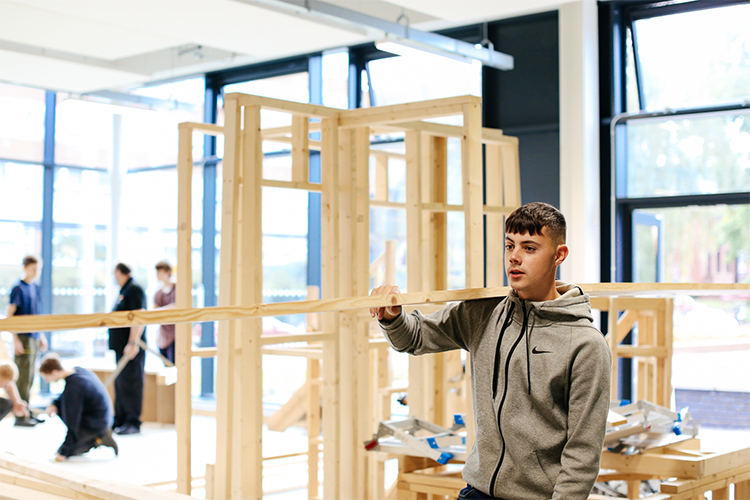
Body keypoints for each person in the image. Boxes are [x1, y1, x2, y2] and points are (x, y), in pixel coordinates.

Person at [370, 202, 611, 500]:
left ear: (559, 255)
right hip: (478, 491)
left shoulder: (585, 345)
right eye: (510, 245)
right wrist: (392, 317)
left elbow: (583, 451)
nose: (514, 257)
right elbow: (415, 338)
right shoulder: (485, 313)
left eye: (530, 248)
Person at [39, 354, 118, 461]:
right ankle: (93, 436)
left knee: (71, 449)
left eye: (47, 378)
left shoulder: (73, 387)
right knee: (62, 408)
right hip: (103, 417)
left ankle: (99, 439)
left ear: (54, 372)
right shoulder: (77, 371)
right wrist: (54, 404)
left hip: (96, 424)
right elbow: (64, 396)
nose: (47, 381)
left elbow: (73, 423)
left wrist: (64, 452)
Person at [6, 254, 48, 426]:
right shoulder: (18, 287)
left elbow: (36, 315)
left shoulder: (35, 287)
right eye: (34, 268)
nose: (37, 272)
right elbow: (10, 315)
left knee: (31, 376)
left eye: (38, 269)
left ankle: (27, 410)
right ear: (25, 267)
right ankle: (20, 414)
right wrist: (15, 339)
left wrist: (41, 335)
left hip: (34, 336)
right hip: (22, 337)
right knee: (22, 376)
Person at [109, 263, 146, 435]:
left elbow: (139, 316)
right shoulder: (124, 291)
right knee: (121, 384)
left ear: (119, 272)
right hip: (121, 347)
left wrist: (133, 342)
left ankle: (132, 421)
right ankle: (121, 419)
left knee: (131, 384)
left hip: (131, 348)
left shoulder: (134, 289)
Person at [153, 260, 176, 364]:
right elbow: (153, 311)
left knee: (175, 363)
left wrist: (161, 310)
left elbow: (176, 307)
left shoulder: (177, 289)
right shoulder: (158, 293)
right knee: (166, 364)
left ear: (168, 272)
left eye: (161, 272)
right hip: (163, 333)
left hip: (176, 333)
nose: (158, 275)